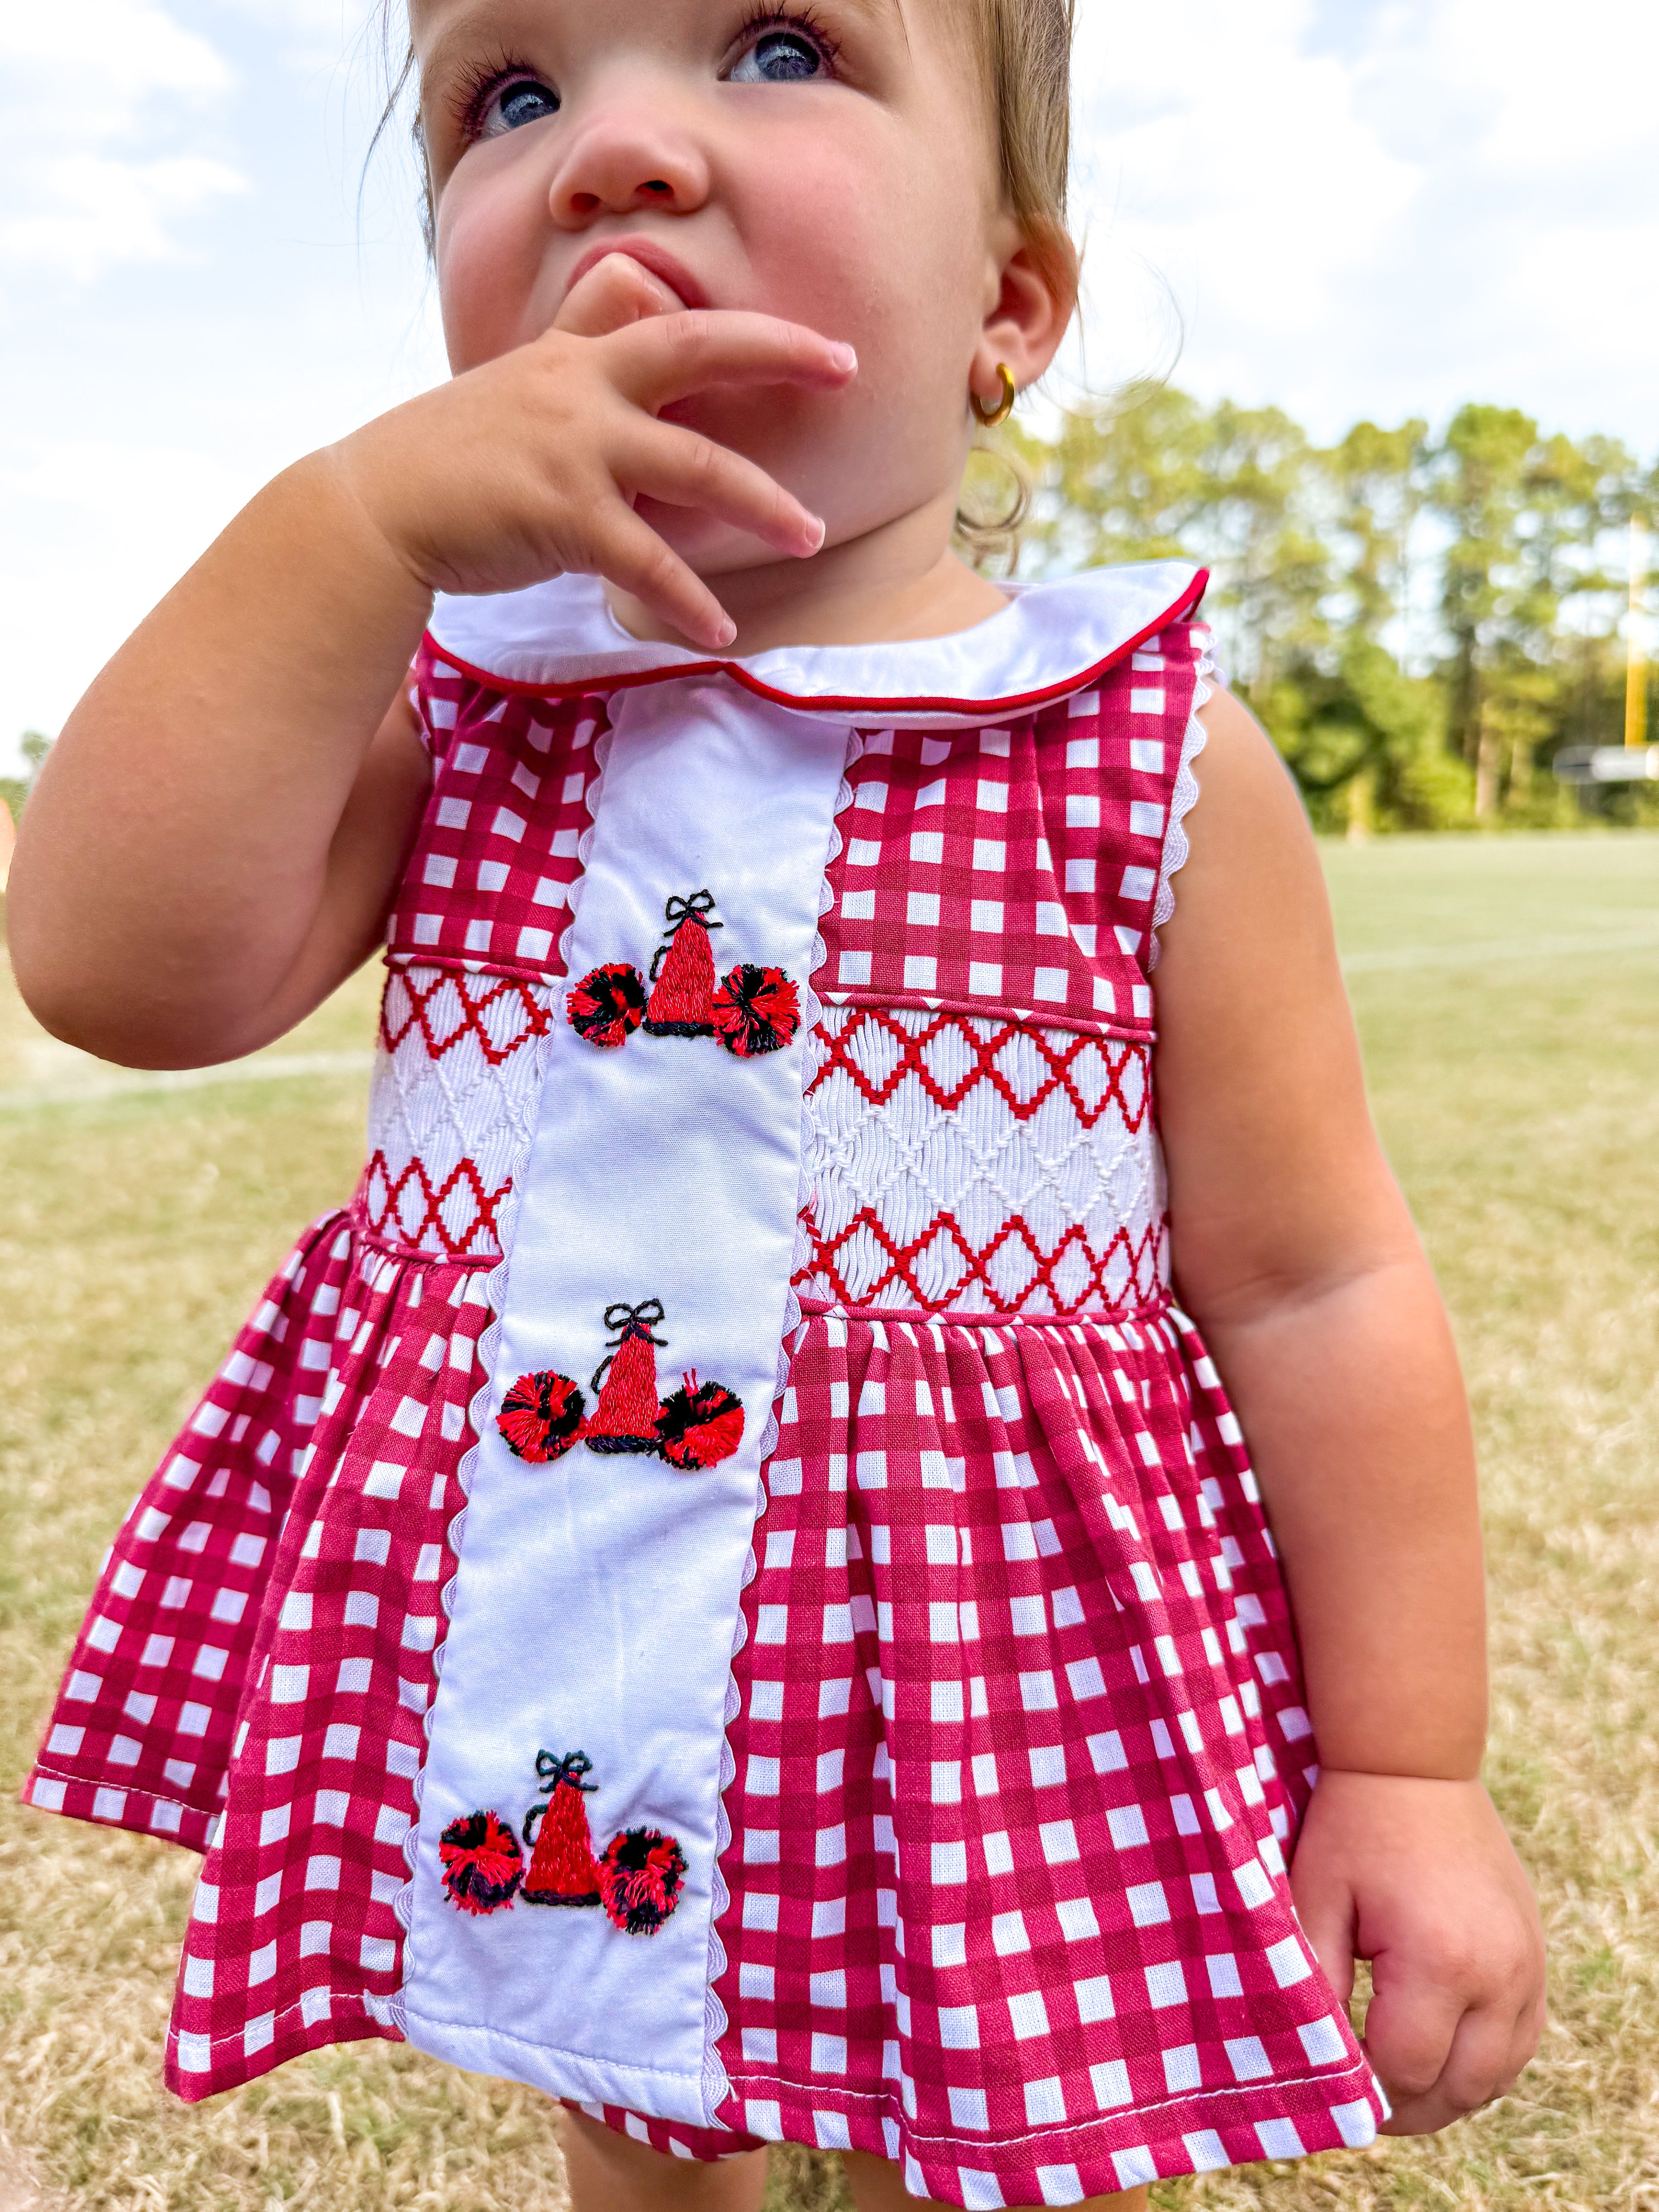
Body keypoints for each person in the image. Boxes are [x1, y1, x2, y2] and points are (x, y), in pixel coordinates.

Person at [7, 1, 1545, 2207]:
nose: (614, 155)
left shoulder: (1134, 745)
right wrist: (339, 531)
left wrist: (1411, 1764)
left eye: (779, 48)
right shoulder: (456, 721)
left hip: (984, 1664)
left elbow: (1315, 1281)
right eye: (507, 99)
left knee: (999, 2123)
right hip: (576, 1611)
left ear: (1006, 307)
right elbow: (115, 972)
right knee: (639, 2098)